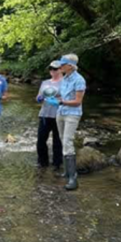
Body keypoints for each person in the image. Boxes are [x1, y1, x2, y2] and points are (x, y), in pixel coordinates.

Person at [46, 54, 86, 191]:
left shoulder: (79, 80)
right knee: (63, 140)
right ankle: (67, 172)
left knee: (68, 141)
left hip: (72, 114)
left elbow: (77, 102)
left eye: (62, 65)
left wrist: (61, 102)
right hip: (61, 113)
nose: (60, 67)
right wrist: (51, 97)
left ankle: (73, 178)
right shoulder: (64, 79)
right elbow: (62, 95)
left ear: (70, 66)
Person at [36, 61, 63, 169]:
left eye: (55, 69)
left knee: (57, 141)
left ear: (61, 69)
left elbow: (69, 98)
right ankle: (43, 163)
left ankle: (57, 164)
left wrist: (57, 100)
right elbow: (38, 96)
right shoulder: (45, 82)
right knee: (41, 140)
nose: (52, 70)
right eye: (50, 68)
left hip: (59, 115)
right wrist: (39, 98)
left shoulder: (65, 82)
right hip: (44, 114)